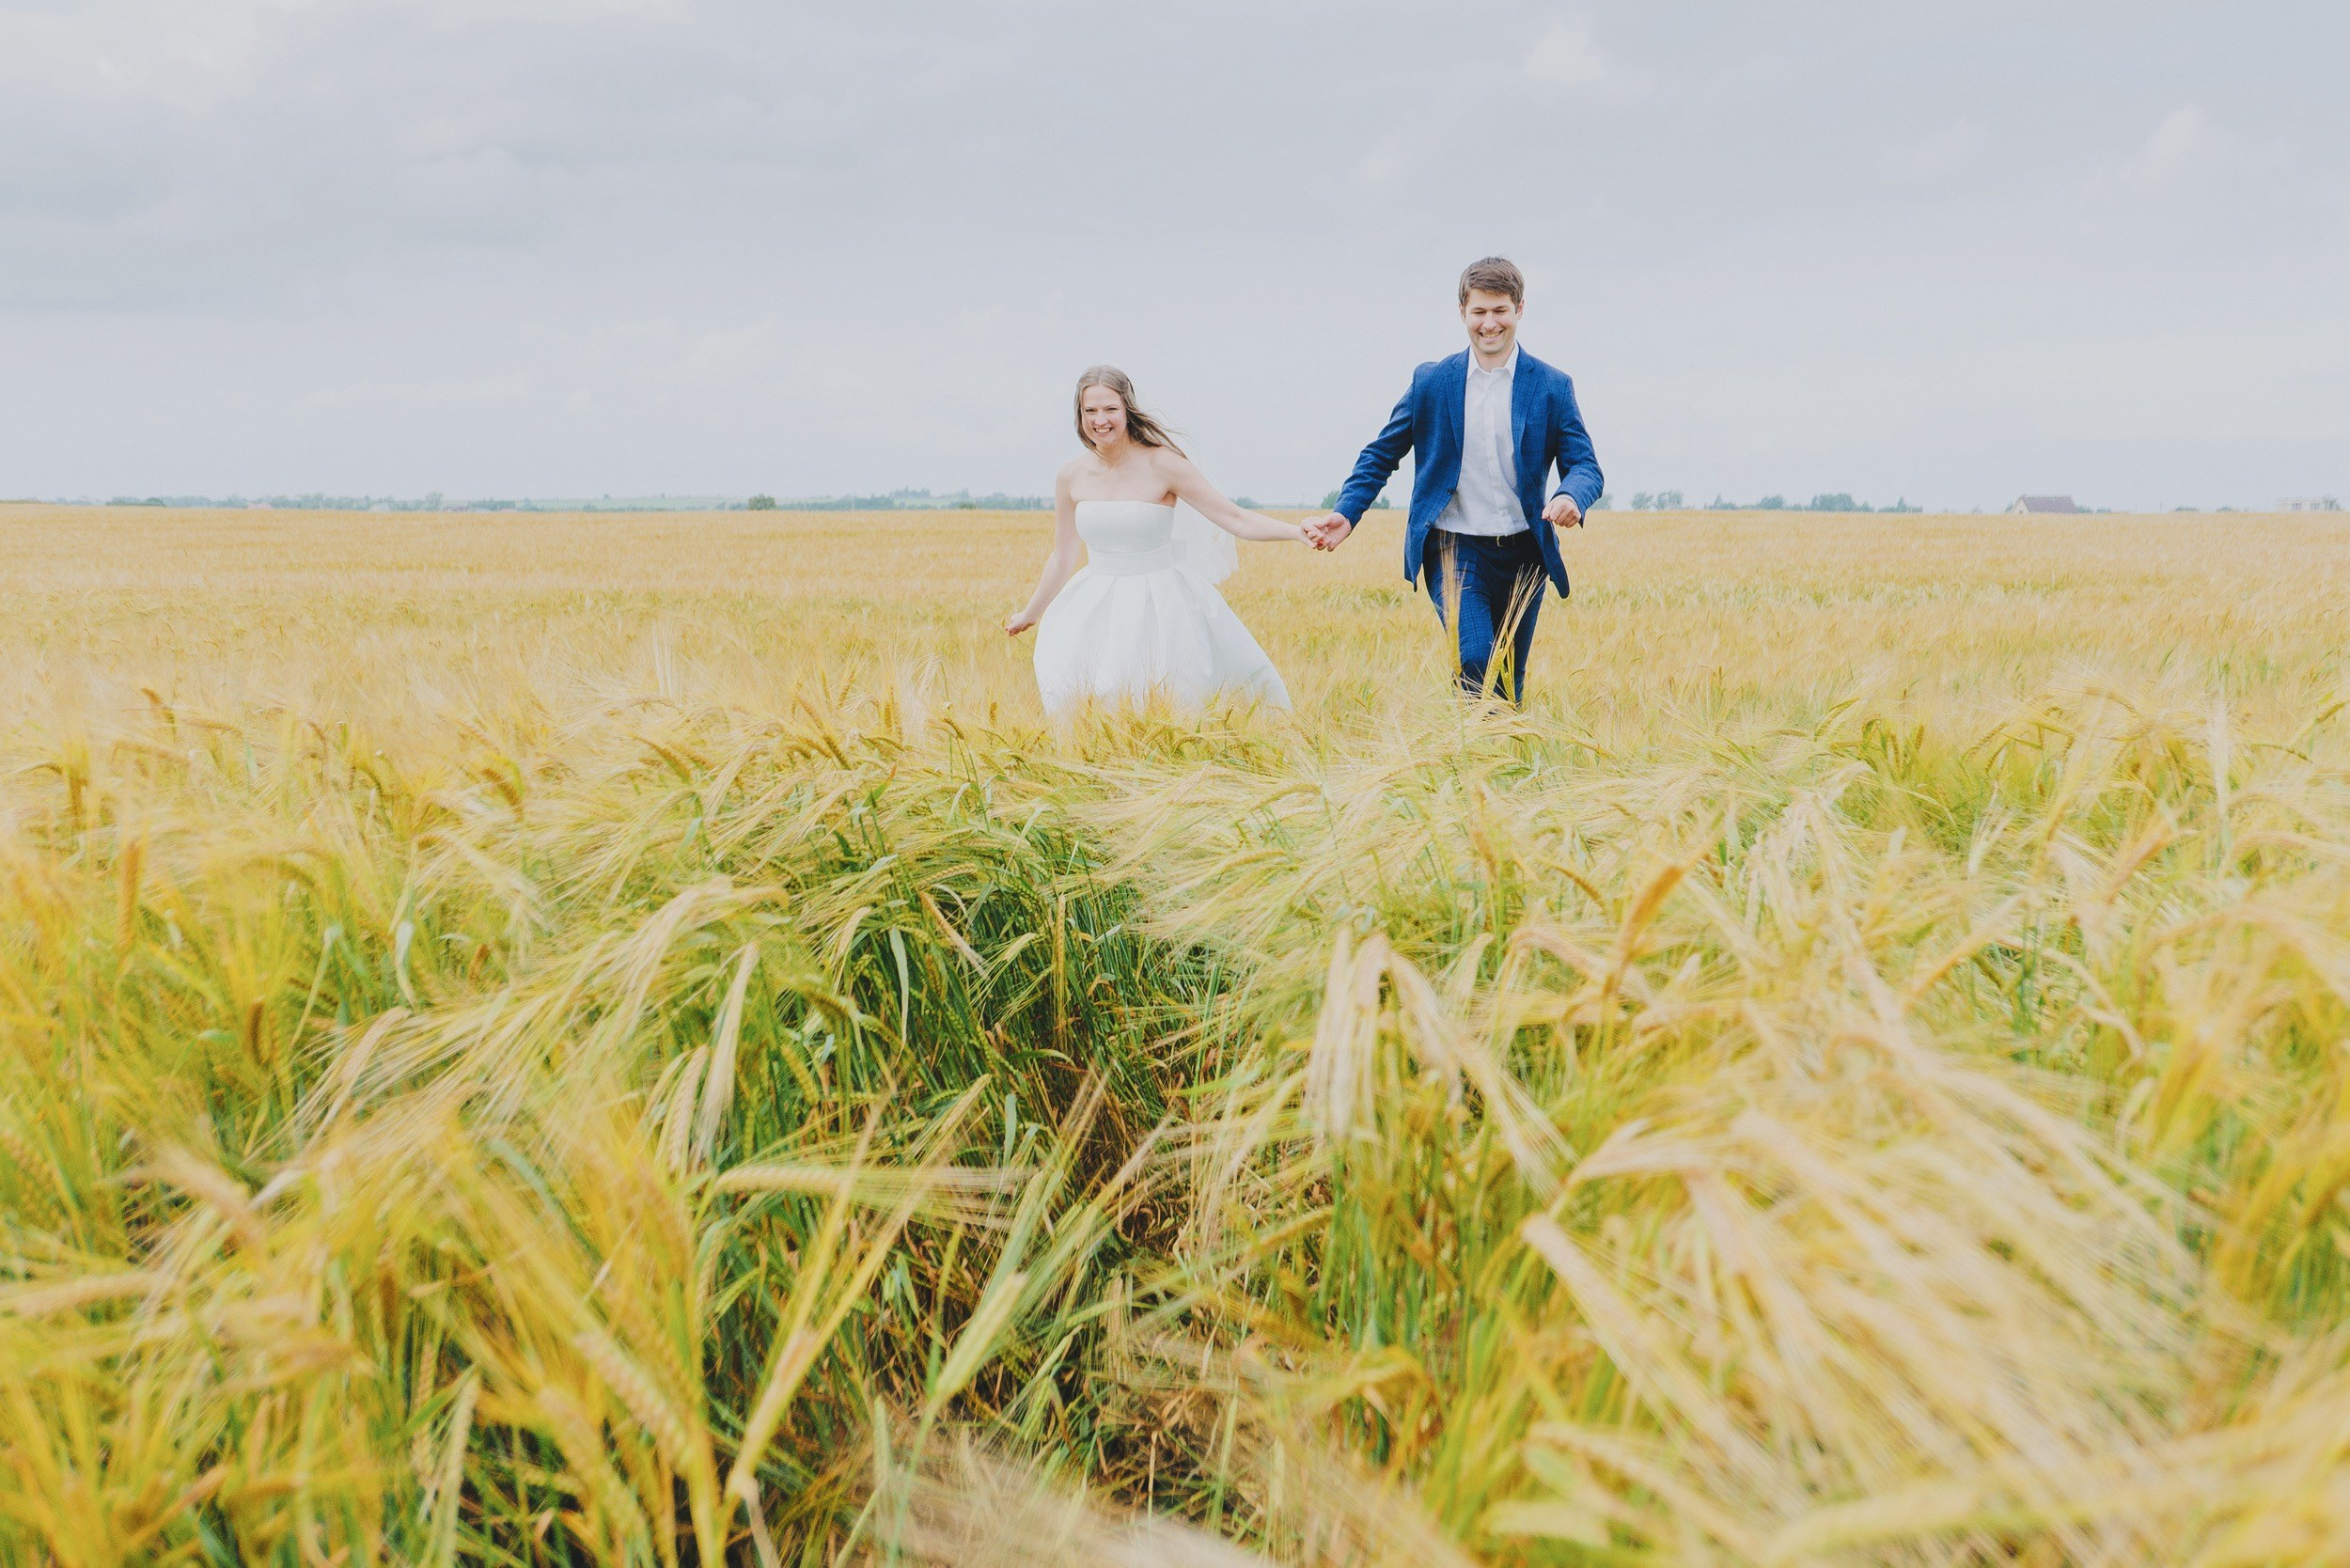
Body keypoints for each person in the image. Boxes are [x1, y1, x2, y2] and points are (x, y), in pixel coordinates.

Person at [1303, 258, 1603, 704]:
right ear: (1462, 311)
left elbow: (1586, 467)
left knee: (1506, 685)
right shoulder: (1432, 382)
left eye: (1500, 310)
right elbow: (1382, 453)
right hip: (1454, 548)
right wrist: (1347, 513)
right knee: (1475, 662)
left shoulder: (1552, 386)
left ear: (1520, 309)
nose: (1489, 323)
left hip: (1524, 552)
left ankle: (1490, 766)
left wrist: (1570, 495)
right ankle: (1473, 757)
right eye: (1479, 311)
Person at [1007, 366, 1303, 713]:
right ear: (1079, 414)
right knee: (1095, 699)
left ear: (1127, 410)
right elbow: (1063, 555)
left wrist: (1297, 532)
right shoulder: (1070, 475)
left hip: (1163, 605)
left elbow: (1235, 518)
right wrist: (1031, 613)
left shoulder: (1164, 464)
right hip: (1095, 606)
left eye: (1110, 409)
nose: (1100, 420)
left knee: (1173, 698)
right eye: (1090, 411)